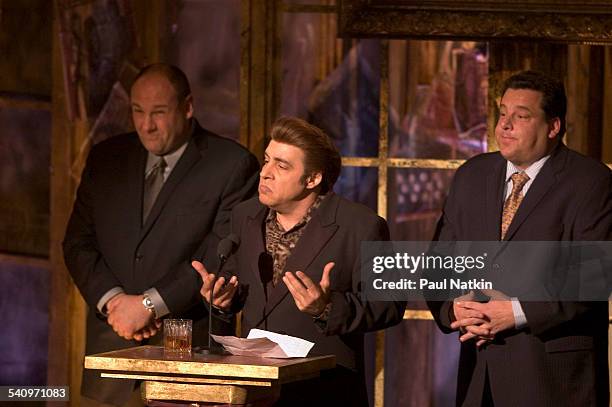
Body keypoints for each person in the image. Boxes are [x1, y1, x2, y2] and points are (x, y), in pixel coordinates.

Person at [63, 63, 260, 406]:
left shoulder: (232, 164)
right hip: (112, 353)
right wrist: (114, 302)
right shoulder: (106, 157)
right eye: (138, 111)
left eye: (158, 112)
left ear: (187, 107)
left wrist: (149, 304)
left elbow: (219, 250)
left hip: (184, 356)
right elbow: (77, 242)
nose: (146, 125)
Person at [192, 116, 406, 406]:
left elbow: (390, 305)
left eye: (281, 166)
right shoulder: (245, 215)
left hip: (324, 389)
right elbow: (236, 289)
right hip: (257, 389)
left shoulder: (362, 225)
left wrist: (326, 307)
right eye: (266, 160)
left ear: (312, 178)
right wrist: (220, 300)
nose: (265, 173)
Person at [428, 70, 611, 406]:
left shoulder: (592, 181)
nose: (505, 125)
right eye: (502, 114)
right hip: (478, 376)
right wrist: (454, 307)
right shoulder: (472, 175)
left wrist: (515, 312)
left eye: (521, 116)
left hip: (551, 380)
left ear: (553, 127)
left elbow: (593, 276)